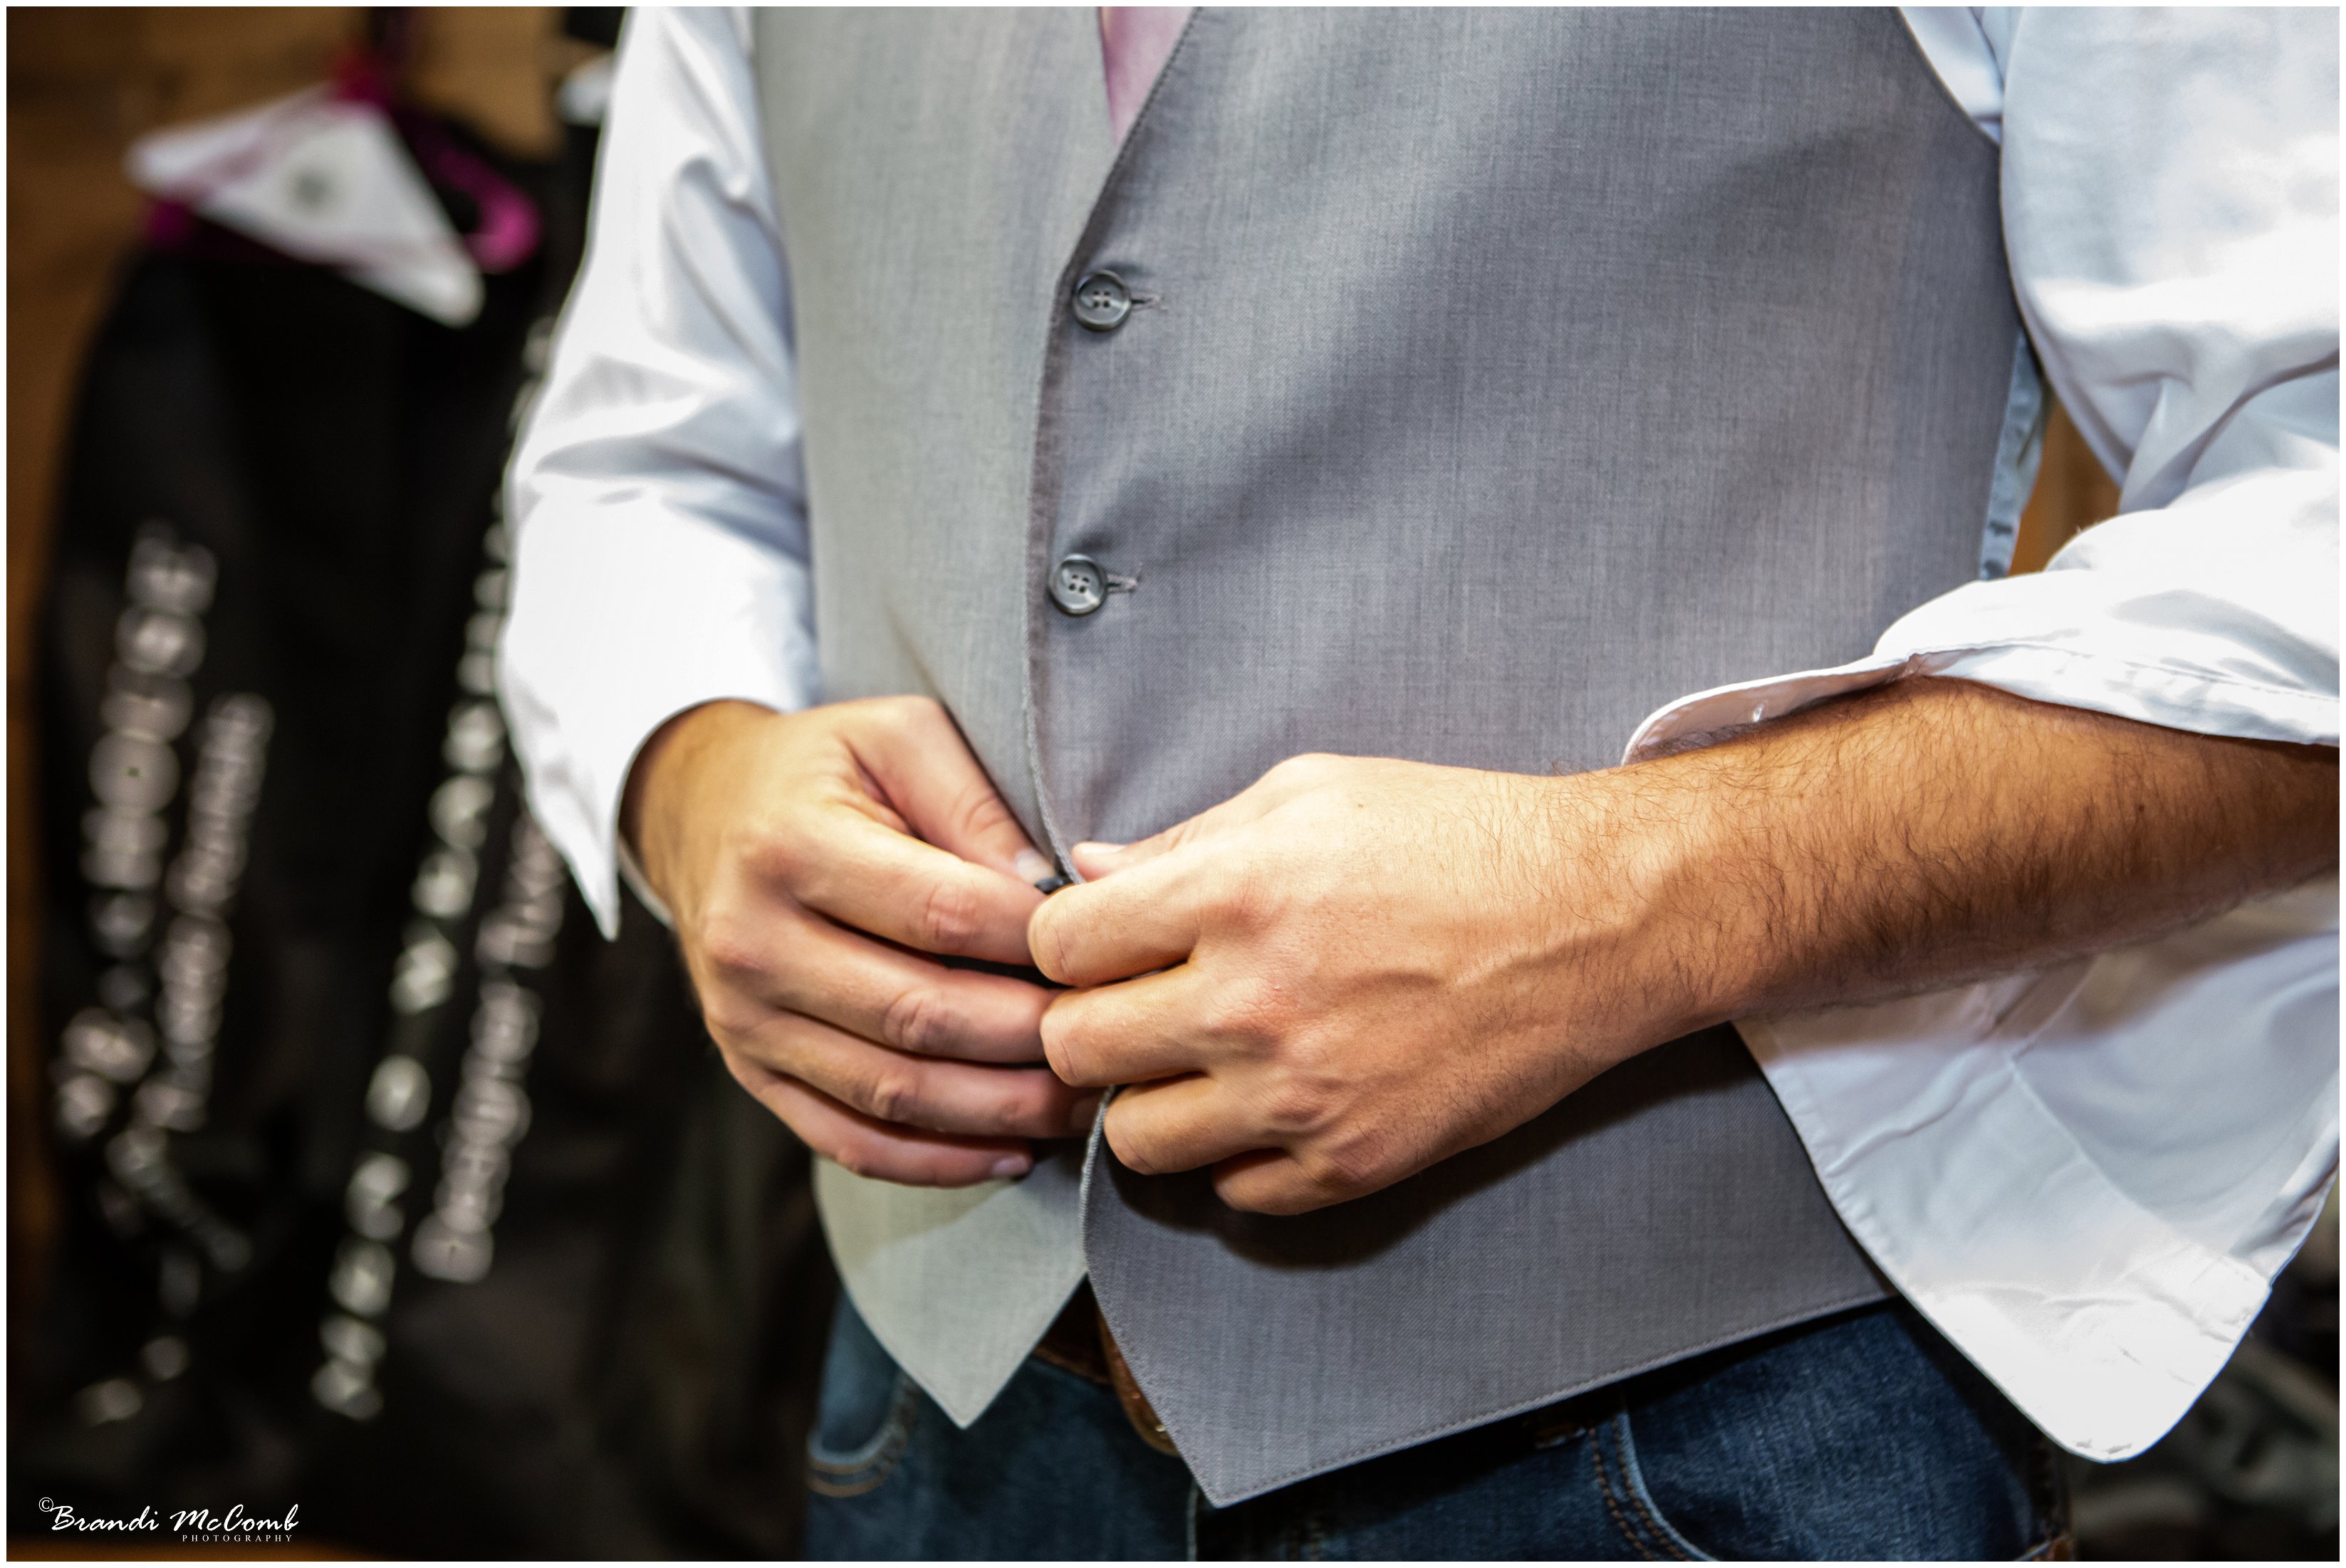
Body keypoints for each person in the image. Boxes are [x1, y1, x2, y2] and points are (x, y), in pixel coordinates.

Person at [501, 7, 2338, 1558]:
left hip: (1698, 1444)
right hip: (936, 1421)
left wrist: (1626, 897)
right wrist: (696, 782)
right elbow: (649, 440)